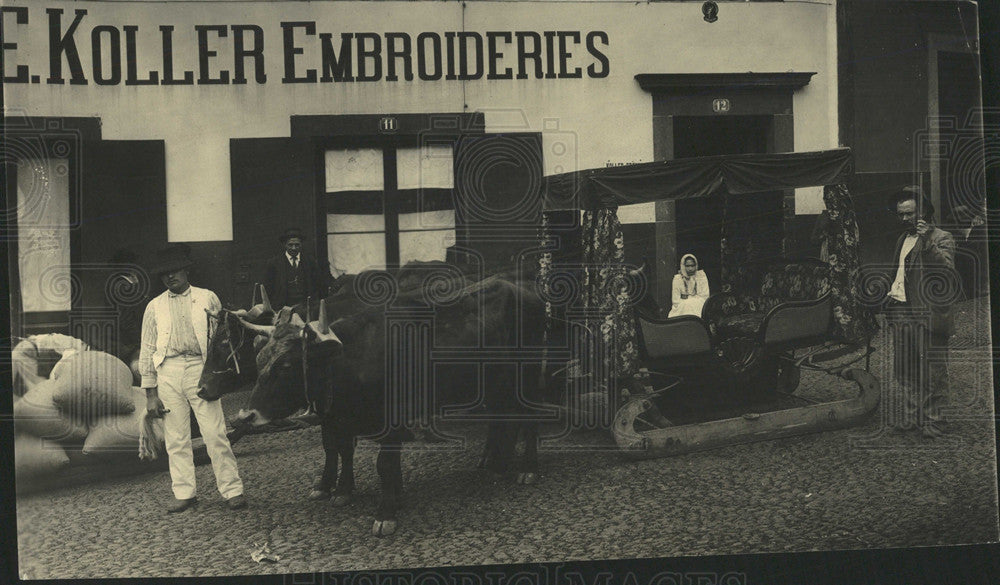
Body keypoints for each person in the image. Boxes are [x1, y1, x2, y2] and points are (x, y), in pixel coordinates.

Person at [139, 245, 247, 512]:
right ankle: (185, 492)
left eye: (174, 271)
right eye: (164, 274)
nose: (169, 278)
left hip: (200, 368)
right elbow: (147, 350)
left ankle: (232, 490)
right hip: (168, 370)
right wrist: (150, 393)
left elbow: (222, 338)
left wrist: (220, 373)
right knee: (176, 437)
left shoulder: (207, 297)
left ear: (186, 270)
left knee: (214, 432)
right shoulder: (154, 307)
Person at [883, 186, 956, 438]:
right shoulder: (902, 239)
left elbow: (946, 271)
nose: (904, 219)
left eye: (909, 214)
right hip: (901, 310)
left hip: (928, 314)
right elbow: (898, 274)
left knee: (932, 370)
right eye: (900, 214)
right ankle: (913, 417)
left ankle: (936, 420)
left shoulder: (941, 237)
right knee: (907, 368)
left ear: (923, 212)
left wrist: (926, 244)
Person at [262, 228, 328, 309]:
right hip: (282, 308)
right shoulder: (274, 263)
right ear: (285, 245)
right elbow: (268, 288)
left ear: (301, 244)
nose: (294, 248)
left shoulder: (310, 261)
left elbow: (318, 284)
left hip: (306, 308)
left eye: (297, 245)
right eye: (290, 245)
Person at [668, 254, 710, 318]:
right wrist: (686, 302)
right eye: (687, 266)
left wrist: (691, 300)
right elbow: (675, 300)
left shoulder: (701, 276)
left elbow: (705, 296)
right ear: (683, 266)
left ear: (696, 265)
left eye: (692, 265)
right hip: (682, 306)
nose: (690, 268)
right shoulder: (678, 278)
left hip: (698, 304)